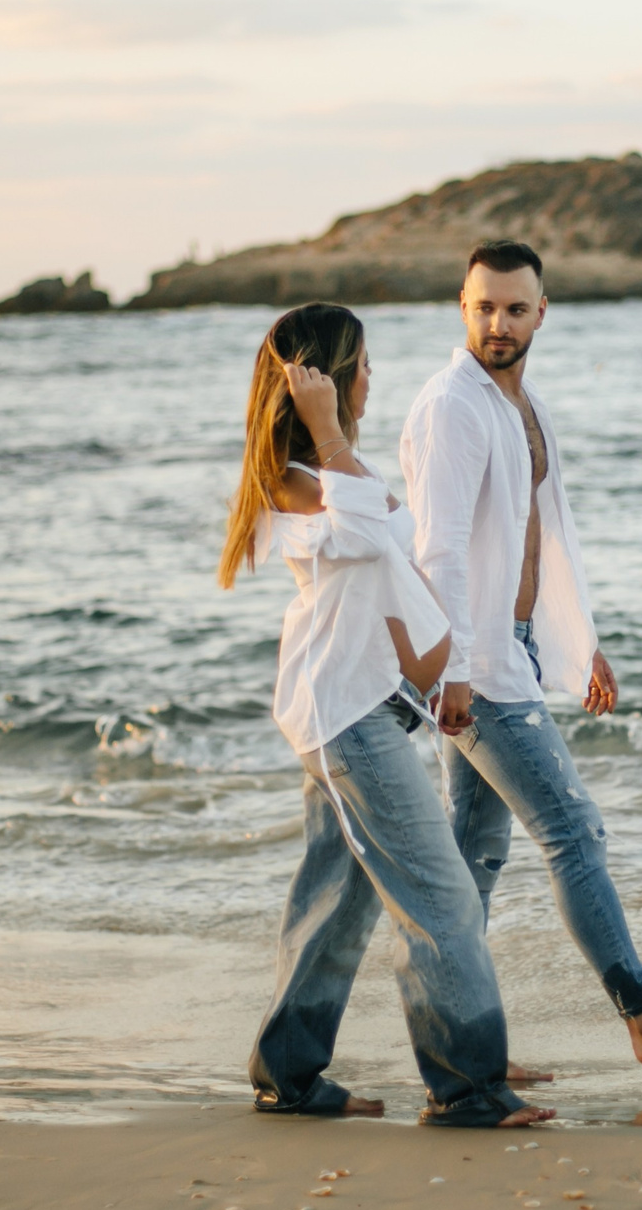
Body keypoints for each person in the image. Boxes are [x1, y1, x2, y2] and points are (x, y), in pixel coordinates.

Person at [401, 241, 642, 1066]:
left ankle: (457, 1049)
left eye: (515, 308)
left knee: (473, 857)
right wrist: (451, 671)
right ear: (462, 304)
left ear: (541, 314)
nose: (498, 323)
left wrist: (580, 641)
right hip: (476, 661)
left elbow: (546, 533)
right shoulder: (452, 404)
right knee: (573, 829)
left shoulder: (524, 406)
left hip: (506, 647)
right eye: (484, 306)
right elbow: (439, 549)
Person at [219, 302, 550, 1129]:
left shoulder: (329, 475)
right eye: (359, 364)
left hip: (360, 706)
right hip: (344, 716)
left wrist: (438, 674)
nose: (373, 378)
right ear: (323, 383)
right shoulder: (295, 482)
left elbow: (391, 566)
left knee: (339, 894)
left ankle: (288, 1074)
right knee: (440, 896)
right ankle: (468, 1087)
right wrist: (328, 429)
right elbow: (372, 532)